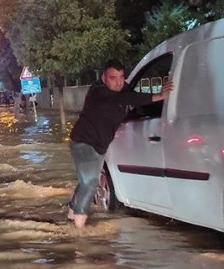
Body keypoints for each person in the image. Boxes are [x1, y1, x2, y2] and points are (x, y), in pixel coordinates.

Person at [67, 59, 173, 228]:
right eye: (112, 78)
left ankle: (71, 216)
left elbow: (134, 98)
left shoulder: (121, 89)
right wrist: (159, 95)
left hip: (97, 145)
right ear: (103, 78)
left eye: (121, 77)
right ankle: (79, 232)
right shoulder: (98, 92)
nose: (118, 82)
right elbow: (127, 97)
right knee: (90, 182)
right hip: (84, 143)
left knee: (85, 181)